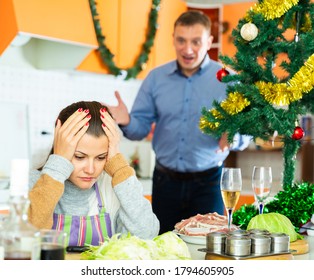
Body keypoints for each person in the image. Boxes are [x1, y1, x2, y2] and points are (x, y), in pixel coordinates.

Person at [107, 10, 251, 234]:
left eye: (196, 41)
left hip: (209, 182)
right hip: (166, 183)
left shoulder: (228, 80)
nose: (188, 49)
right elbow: (138, 130)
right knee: (163, 246)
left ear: (209, 42)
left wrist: (234, 135)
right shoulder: (156, 78)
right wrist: (126, 120)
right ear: (173, 38)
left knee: (208, 251)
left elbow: (247, 128)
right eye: (181, 40)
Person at [28, 101, 159, 246]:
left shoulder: (113, 187)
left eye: (100, 157)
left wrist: (120, 168)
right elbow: (26, 239)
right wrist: (58, 164)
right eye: (79, 156)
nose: (90, 170)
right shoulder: (35, 183)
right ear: (60, 148)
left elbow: (147, 235)